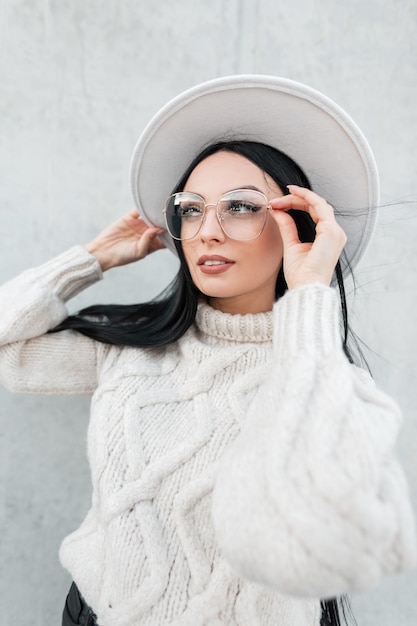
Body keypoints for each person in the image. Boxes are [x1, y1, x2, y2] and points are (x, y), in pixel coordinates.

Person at [0, 75, 415, 626]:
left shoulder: (325, 381)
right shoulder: (132, 351)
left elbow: (328, 531)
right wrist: (92, 257)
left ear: (302, 227)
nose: (207, 230)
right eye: (190, 208)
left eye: (240, 207)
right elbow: (10, 349)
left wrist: (312, 295)